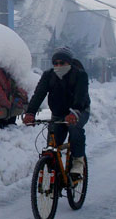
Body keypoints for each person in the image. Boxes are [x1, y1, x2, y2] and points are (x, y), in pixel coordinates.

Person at [23, 47, 90, 176]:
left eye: (62, 63)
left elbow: (80, 95)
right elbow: (39, 94)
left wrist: (74, 112)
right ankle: (56, 174)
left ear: (69, 63)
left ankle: (77, 162)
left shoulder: (80, 75)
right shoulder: (48, 75)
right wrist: (30, 113)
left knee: (74, 128)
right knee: (53, 142)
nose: (58, 66)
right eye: (55, 63)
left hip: (79, 110)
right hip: (58, 113)